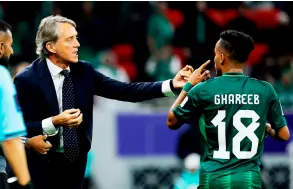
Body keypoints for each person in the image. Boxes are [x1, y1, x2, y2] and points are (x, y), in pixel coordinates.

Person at [14, 15, 193, 189]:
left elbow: (127, 91)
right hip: (40, 164)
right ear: (51, 46)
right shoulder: (27, 80)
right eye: (69, 39)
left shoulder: (84, 71)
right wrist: (53, 122)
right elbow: (17, 128)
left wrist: (170, 84)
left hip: (75, 163)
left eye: (76, 38)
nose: (77, 44)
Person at [167, 30, 290, 189]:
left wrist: (189, 86)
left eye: (215, 55)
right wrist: (268, 129)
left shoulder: (203, 90)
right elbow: (284, 134)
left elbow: (171, 121)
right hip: (248, 181)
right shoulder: (266, 90)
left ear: (222, 57)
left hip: (214, 180)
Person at [0, 20, 32, 189]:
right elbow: (10, 138)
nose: (12, 50)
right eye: (10, 45)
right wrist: (25, 181)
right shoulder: (2, 78)